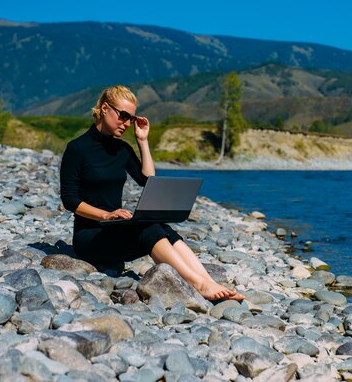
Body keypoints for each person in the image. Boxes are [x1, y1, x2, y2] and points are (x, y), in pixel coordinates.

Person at [60, 85, 243, 301]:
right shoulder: (77, 148)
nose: (127, 123)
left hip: (115, 230)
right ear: (105, 108)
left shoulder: (122, 150)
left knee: (160, 227)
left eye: (131, 118)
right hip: (90, 238)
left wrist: (143, 141)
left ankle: (208, 281)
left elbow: (147, 181)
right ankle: (198, 285)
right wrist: (106, 215)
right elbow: (70, 200)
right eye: (123, 116)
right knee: (148, 230)